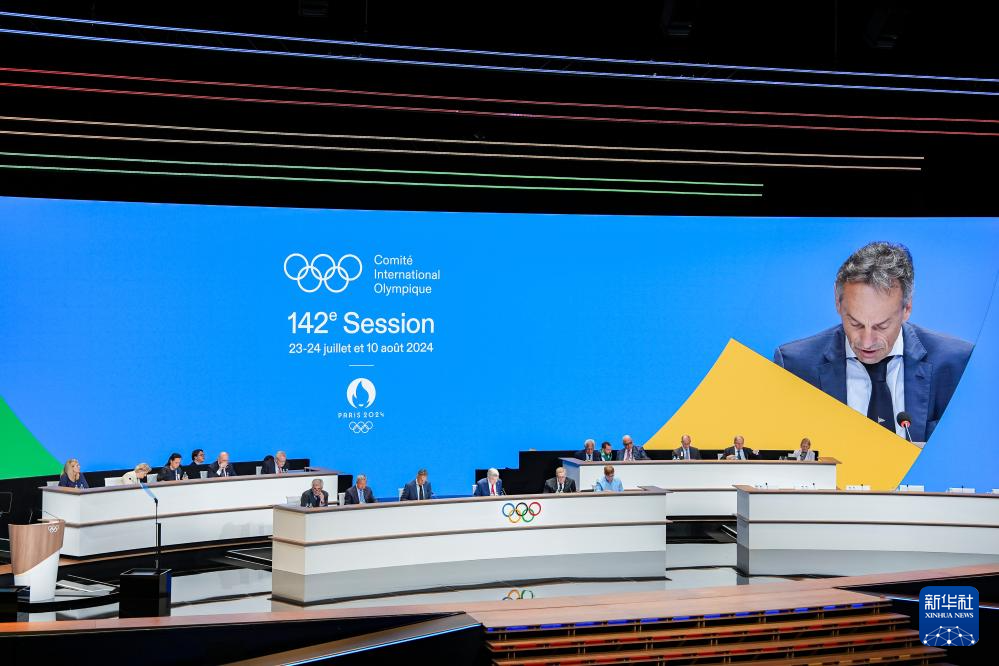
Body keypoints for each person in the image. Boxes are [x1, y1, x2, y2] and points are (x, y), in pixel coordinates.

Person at [773, 242, 973, 443]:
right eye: (855, 323)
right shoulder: (794, 367)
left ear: (907, 308)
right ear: (837, 301)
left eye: (882, 326)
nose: (867, 342)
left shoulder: (956, 365)